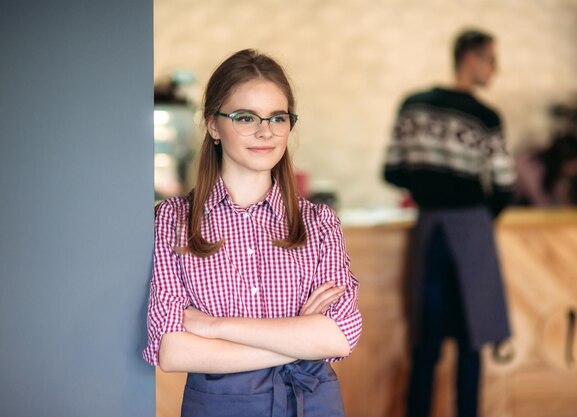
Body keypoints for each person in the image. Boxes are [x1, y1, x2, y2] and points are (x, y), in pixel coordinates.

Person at [143, 49, 362, 417]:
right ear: (213, 125)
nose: (265, 131)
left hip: (312, 405)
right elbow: (174, 350)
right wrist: (300, 338)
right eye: (245, 117)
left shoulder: (320, 222)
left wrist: (214, 326)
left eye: (277, 117)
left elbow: (340, 334)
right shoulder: (171, 221)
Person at [383, 29, 516, 417]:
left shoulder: (413, 106)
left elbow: (392, 170)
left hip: (429, 231)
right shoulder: (485, 117)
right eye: (492, 59)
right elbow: (505, 186)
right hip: (472, 231)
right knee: (472, 343)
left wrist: (431, 188)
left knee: (425, 344)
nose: (495, 69)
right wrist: (474, 213)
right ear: (471, 59)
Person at [514, 134, 577, 206]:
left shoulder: (555, 174)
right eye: (575, 164)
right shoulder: (533, 167)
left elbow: (562, 202)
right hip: (515, 209)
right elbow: (543, 204)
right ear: (564, 160)